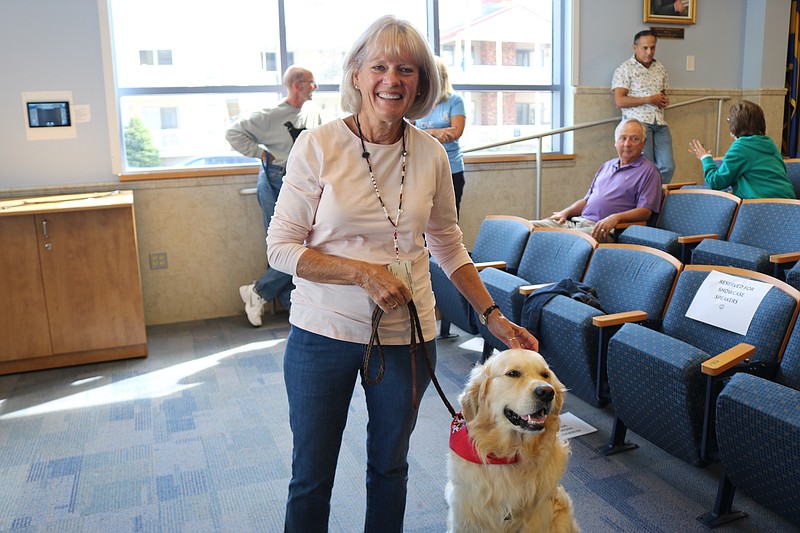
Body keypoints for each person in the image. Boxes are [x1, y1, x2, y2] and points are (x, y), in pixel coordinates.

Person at [265, 15, 538, 533]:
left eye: (406, 69)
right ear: (357, 75)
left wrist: (494, 317)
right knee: (311, 475)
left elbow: (448, 245)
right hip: (322, 333)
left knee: (390, 466)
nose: (392, 79)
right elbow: (281, 248)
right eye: (380, 66)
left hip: (407, 337)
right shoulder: (318, 146)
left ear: (421, 83)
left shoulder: (432, 154)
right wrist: (361, 274)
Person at [226, 65, 321, 326]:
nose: (316, 87)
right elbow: (232, 133)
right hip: (275, 180)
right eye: (312, 83)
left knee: (303, 244)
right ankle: (263, 294)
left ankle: (262, 293)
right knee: (283, 246)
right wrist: (260, 153)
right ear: (297, 85)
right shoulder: (270, 115)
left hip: (304, 181)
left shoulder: (313, 112)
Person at [529, 118, 662, 242]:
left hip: (603, 229)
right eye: (623, 138)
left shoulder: (649, 171)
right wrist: (566, 212)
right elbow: (587, 200)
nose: (627, 144)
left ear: (644, 143)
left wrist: (616, 218)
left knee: (562, 240)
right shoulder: (607, 166)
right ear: (615, 142)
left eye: (634, 139)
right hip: (577, 222)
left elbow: (645, 212)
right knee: (528, 228)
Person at [688, 100, 796, 199]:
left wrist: (705, 158)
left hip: (763, 206)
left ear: (734, 126)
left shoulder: (741, 147)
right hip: (789, 205)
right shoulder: (768, 143)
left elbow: (716, 182)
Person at [612, 30, 675, 184]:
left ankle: (654, 196)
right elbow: (619, 101)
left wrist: (662, 100)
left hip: (659, 122)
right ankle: (647, 200)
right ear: (635, 47)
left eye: (652, 48)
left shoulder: (660, 67)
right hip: (637, 123)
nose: (649, 52)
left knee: (668, 166)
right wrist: (649, 99)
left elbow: (662, 94)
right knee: (646, 167)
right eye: (645, 48)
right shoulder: (625, 69)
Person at [415, 56, 467, 216]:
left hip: (452, 167)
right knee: (422, 217)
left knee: (449, 218)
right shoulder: (417, 102)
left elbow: (456, 132)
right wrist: (437, 132)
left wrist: (423, 134)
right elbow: (407, 133)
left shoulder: (454, 100)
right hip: (422, 167)